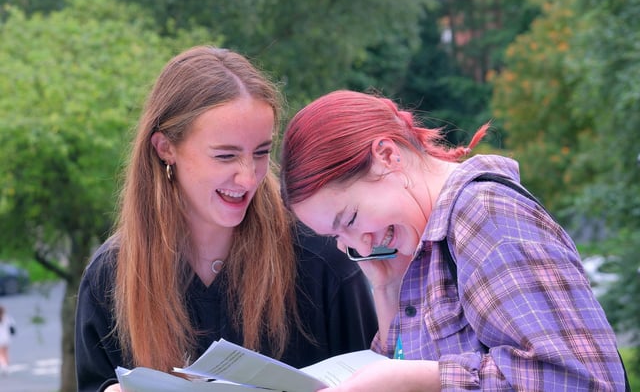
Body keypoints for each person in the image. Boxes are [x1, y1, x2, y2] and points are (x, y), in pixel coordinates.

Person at [279, 89, 628, 391]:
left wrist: (424, 382)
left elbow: (583, 380)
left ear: (387, 155)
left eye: (351, 219)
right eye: (339, 237)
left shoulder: (485, 215)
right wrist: (386, 289)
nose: (364, 247)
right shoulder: (424, 247)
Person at [75, 48, 378, 392]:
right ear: (164, 148)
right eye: (225, 156)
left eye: (261, 152)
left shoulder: (320, 256)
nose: (249, 178)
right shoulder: (111, 275)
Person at [0, 305, 15, 376]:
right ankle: (6, 366)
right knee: (6, 353)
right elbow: (12, 329)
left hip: (1, 338)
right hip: (7, 338)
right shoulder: (7, 318)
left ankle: (4, 366)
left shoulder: (7, 318)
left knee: (1, 354)